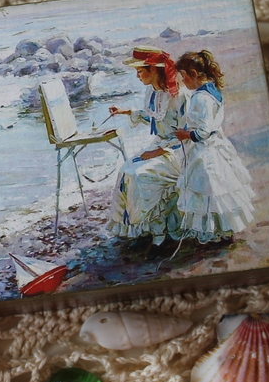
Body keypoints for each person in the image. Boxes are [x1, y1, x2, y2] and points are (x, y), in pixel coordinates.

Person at [106, 46, 187, 248]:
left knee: (140, 175)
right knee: (126, 171)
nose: (137, 76)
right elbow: (152, 117)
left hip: (179, 151)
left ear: (153, 70)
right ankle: (143, 227)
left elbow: (188, 133)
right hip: (159, 146)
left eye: (140, 71)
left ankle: (161, 235)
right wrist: (125, 112)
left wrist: (160, 151)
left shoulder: (178, 95)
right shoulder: (152, 92)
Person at [173, 50, 255, 244]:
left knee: (209, 191)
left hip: (206, 151)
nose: (182, 81)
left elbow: (203, 131)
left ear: (193, 74)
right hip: (216, 145)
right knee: (218, 191)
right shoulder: (212, 91)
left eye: (183, 76)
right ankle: (224, 231)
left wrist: (185, 134)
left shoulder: (200, 97)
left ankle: (217, 233)